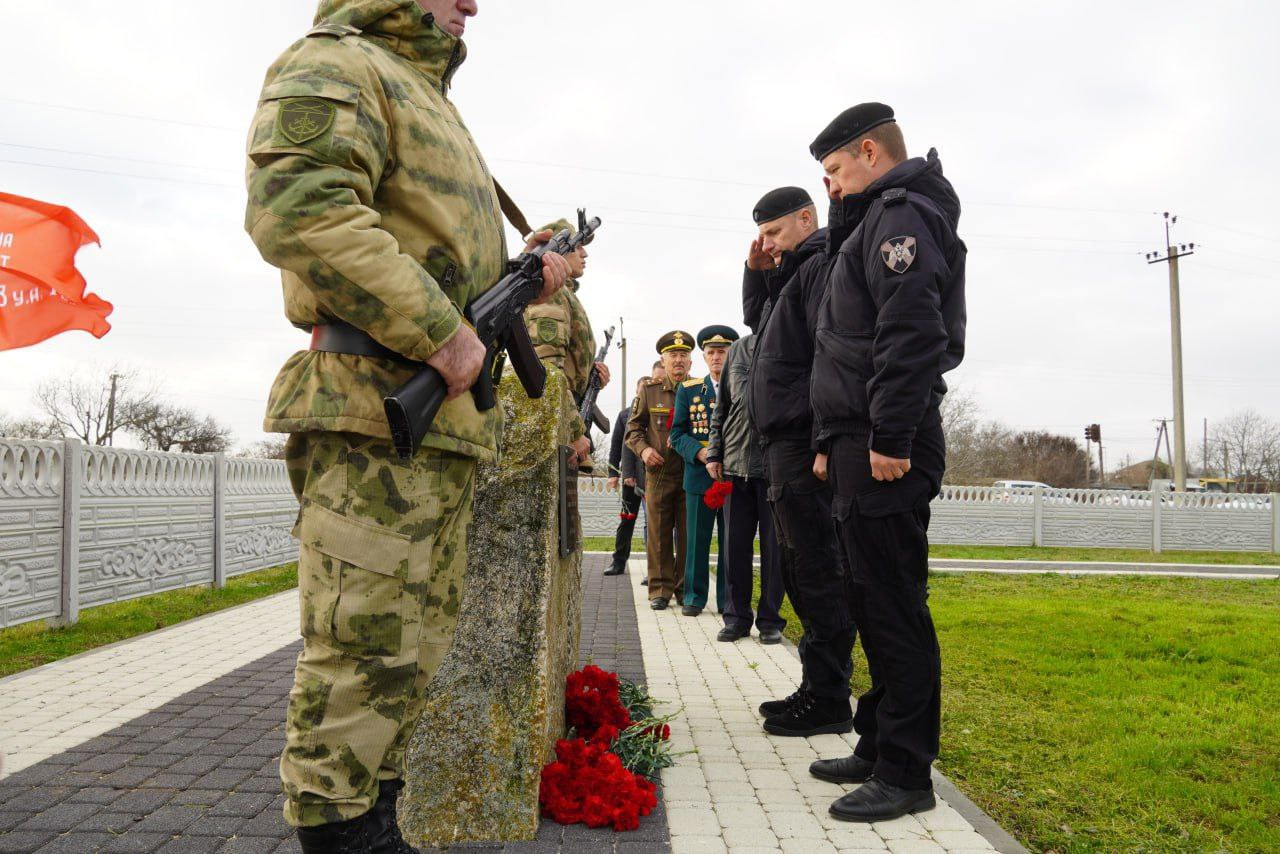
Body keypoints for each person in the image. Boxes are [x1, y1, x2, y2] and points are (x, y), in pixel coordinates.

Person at [243, 1, 571, 850]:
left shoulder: (425, 94)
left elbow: (433, 256)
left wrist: (524, 273)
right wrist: (442, 332)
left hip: (437, 426)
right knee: (360, 649)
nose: (472, 4)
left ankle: (375, 820)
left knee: (411, 655)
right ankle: (342, 832)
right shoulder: (337, 63)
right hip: (372, 407)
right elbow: (300, 209)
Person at [807, 102, 966, 822]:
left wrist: (892, 438)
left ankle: (907, 773)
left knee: (894, 605)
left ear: (869, 151)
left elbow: (911, 330)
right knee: (870, 597)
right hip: (855, 437)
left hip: (884, 441)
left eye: (835, 171)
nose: (831, 187)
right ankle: (877, 743)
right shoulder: (870, 220)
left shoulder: (901, 215)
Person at [742, 186, 859, 739]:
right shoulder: (792, 269)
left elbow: (825, 358)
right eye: (762, 235)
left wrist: (821, 441)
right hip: (779, 444)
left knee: (817, 569)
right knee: (795, 566)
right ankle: (816, 685)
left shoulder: (819, 266)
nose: (767, 243)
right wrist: (756, 269)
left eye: (774, 232)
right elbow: (759, 323)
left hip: (801, 440)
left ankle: (831, 696)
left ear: (806, 219)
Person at [705, 332, 785, 644]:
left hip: (773, 468)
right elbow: (721, 407)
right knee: (734, 548)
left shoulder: (789, 341)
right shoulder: (737, 350)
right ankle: (736, 618)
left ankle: (770, 620)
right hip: (735, 468)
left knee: (773, 550)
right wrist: (714, 452)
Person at [524, 216, 609, 465]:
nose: (584, 253)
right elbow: (546, 369)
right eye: (578, 246)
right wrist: (574, 429)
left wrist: (589, 374)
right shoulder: (552, 293)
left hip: (559, 417)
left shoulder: (564, 294)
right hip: (553, 424)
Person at [669, 326, 737, 616]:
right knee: (696, 540)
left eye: (722, 352)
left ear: (731, 354)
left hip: (733, 476)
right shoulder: (690, 390)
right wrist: (700, 452)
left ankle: (727, 601)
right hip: (699, 475)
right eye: (711, 352)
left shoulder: (742, 385)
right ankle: (694, 597)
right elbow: (677, 433)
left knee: (731, 543)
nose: (717, 357)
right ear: (704, 357)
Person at [625, 332, 693, 609]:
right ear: (663, 360)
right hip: (659, 473)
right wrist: (643, 450)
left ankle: (686, 591)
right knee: (659, 535)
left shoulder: (701, 390)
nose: (678, 360)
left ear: (690, 361)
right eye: (673, 355)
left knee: (689, 535)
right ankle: (660, 591)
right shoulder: (650, 390)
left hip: (692, 473)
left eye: (683, 355)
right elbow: (633, 428)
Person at [605, 375, 650, 576]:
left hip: (651, 477)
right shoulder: (625, 415)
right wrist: (613, 473)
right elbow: (617, 445)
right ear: (636, 391)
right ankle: (618, 561)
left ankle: (654, 569)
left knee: (653, 524)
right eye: (641, 390)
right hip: (630, 478)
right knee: (627, 520)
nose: (643, 393)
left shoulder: (656, 413)